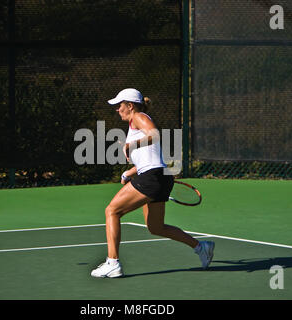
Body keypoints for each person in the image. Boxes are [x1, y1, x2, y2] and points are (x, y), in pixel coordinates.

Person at [91, 88, 214, 278]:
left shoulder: (138, 117)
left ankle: (113, 262)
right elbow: (151, 158)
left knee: (112, 211)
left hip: (153, 177)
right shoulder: (135, 124)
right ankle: (201, 247)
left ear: (130, 106)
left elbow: (155, 134)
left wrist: (130, 145)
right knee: (156, 227)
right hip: (160, 176)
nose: (117, 109)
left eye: (119, 105)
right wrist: (129, 172)